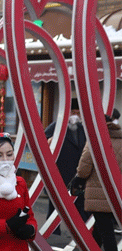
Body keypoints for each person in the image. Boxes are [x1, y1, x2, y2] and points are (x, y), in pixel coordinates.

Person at [74, 114, 122, 251]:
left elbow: (84, 166)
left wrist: (78, 179)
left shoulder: (96, 139)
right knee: (102, 227)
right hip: (117, 191)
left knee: (105, 230)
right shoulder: (120, 138)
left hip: (97, 190)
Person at [44, 98, 89, 229]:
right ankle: (52, 230)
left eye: (78, 112)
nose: (75, 115)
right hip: (61, 170)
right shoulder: (57, 126)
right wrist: (50, 141)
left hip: (78, 171)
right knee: (56, 203)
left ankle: (83, 230)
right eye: (73, 112)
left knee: (80, 202)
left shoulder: (83, 128)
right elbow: (44, 140)